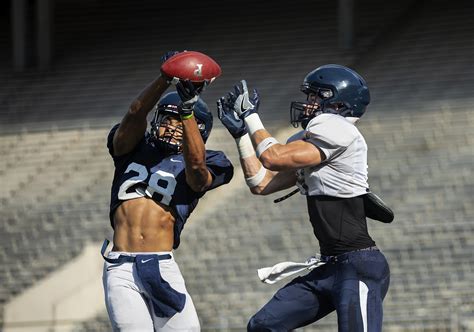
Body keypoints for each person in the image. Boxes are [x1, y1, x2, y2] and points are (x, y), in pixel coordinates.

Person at [217, 64, 391, 331]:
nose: (308, 104)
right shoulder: (317, 141)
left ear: (337, 103)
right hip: (329, 266)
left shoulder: (338, 127)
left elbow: (272, 157)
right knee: (262, 326)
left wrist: (251, 117)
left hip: (359, 265)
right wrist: (241, 136)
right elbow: (260, 183)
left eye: (315, 97)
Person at [101, 52, 234, 331]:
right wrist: (164, 79)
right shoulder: (133, 149)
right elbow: (136, 113)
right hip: (121, 266)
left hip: (161, 265)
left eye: (181, 122)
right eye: (168, 119)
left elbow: (197, 174)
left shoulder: (211, 160)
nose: (172, 127)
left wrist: (187, 109)